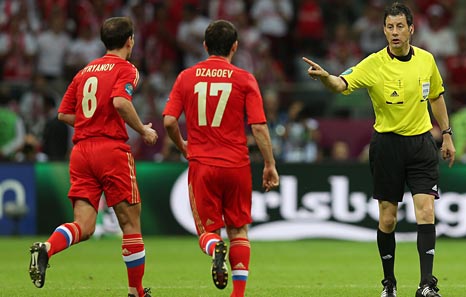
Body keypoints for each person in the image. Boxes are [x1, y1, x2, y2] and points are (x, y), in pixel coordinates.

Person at [302, 2, 455, 297]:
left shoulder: (426, 60)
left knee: (426, 211)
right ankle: (389, 283)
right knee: (388, 218)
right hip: (387, 146)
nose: (394, 32)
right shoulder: (374, 64)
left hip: (422, 143)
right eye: (389, 27)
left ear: (411, 29)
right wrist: (326, 78)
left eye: (400, 26)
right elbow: (341, 82)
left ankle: (427, 284)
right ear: (383, 29)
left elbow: (436, 96)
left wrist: (446, 134)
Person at [28, 17, 157, 297]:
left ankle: (47, 247)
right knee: (131, 224)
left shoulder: (85, 71)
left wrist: (90, 122)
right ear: (130, 41)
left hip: (82, 152)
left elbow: (63, 113)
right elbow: (121, 102)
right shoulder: (128, 69)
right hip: (110, 151)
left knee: (84, 226)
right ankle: (137, 293)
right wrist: (142, 131)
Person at [162, 20, 279, 297]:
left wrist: (183, 147)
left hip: (202, 164)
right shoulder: (245, 78)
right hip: (237, 164)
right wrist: (270, 164)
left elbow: (168, 121)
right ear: (235, 47)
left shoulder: (186, 77)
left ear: (204, 46)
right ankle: (237, 295)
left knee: (207, 232)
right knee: (239, 230)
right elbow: (259, 126)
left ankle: (216, 249)